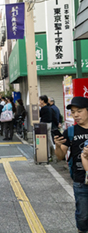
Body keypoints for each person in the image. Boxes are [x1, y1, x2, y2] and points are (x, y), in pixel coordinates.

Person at [54, 97, 88, 232]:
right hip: (80, 180)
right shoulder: (70, 132)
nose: (75, 115)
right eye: (73, 112)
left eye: (79, 111)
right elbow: (60, 156)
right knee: (83, 215)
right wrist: (57, 145)